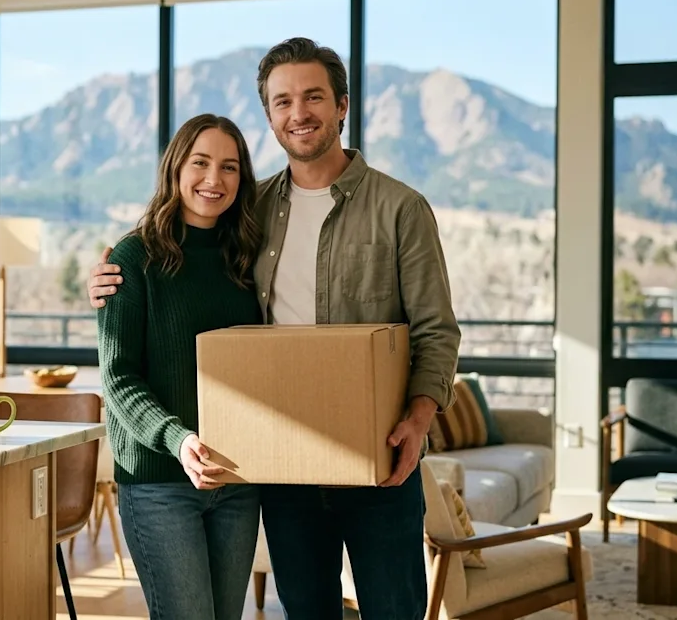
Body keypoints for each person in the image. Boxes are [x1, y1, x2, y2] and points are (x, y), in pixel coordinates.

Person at [89, 38, 462, 619]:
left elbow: (436, 331)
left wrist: (418, 421)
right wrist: (107, 279)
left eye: (314, 96)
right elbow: (175, 256)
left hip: (378, 461)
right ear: (269, 116)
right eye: (283, 101)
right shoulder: (251, 211)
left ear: (342, 104)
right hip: (282, 467)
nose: (299, 113)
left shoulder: (399, 208)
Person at [96, 113, 266, 620]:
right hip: (159, 483)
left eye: (229, 167)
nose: (214, 179)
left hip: (237, 480)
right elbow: (118, 378)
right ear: (175, 168)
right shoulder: (133, 259)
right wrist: (178, 439)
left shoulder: (246, 259)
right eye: (201, 162)